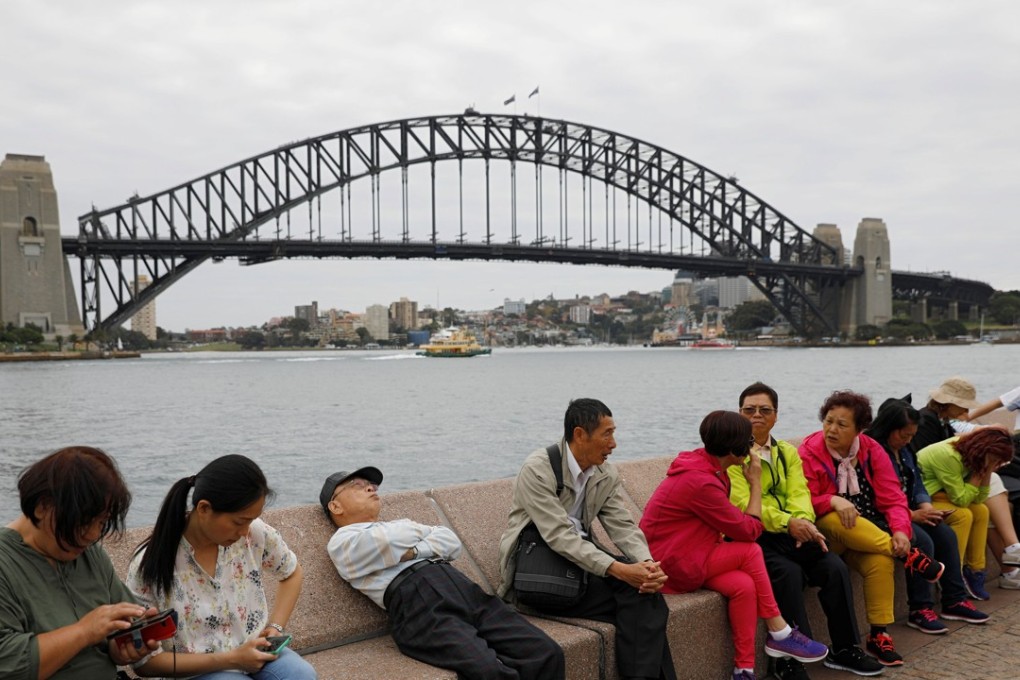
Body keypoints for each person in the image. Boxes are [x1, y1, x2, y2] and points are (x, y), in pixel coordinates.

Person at [322, 467, 564, 679]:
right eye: (358, 486)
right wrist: (419, 532)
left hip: (464, 590)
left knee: (545, 652)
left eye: (371, 485)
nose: (370, 489)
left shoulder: (395, 526)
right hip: (421, 605)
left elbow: (451, 541)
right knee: (488, 671)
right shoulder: (342, 541)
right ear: (336, 505)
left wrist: (413, 550)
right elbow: (385, 543)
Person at [641, 410, 829, 680]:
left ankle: (744, 670)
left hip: (688, 553)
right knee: (751, 551)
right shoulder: (701, 481)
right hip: (672, 565)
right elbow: (749, 531)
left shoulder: (707, 466)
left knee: (744, 585)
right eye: (748, 439)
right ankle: (779, 631)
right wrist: (754, 483)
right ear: (735, 448)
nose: (752, 444)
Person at [497, 398, 676, 680]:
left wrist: (647, 564)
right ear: (580, 434)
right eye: (607, 434)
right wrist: (621, 570)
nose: (614, 443)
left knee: (645, 598)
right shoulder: (538, 469)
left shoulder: (604, 473)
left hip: (578, 567)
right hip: (537, 577)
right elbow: (560, 538)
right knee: (643, 603)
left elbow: (623, 526)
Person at [727, 383, 882, 679]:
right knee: (789, 574)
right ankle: (788, 659)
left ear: (775, 416)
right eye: (749, 409)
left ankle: (845, 648)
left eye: (764, 410)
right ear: (739, 414)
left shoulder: (787, 452)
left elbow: (800, 492)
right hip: (756, 537)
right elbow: (742, 502)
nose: (756, 415)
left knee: (833, 567)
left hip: (792, 533)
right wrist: (788, 523)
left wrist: (803, 523)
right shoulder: (733, 455)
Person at [127, 454, 317, 680]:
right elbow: (145, 664)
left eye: (251, 520)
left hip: (252, 650)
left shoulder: (255, 533)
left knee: (301, 674)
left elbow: (291, 572)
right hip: (194, 671)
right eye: (239, 522)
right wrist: (232, 659)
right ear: (204, 508)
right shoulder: (150, 564)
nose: (246, 531)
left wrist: (275, 626)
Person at [799, 391, 943, 668]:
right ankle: (910, 556)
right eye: (828, 421)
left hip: (867, 536)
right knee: (835, 517)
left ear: (858, 429)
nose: (831, 429)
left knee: (880, 561)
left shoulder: (869, 449)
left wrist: (900, 532)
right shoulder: (808, 452)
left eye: (842, 424)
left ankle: (879, 635)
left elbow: (893, 498)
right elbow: (802, 501)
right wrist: (832, 499)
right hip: (827, 537)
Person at [0, 446, 159, 680]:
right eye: (83, 521)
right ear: (42, 507)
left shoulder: (90, 555)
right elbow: (8, 664)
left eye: (102, 522)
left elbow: (118, 629)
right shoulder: (6, 563)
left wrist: (122, 648)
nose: (93, 534)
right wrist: (84, 632)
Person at [864, 398, 990, 632]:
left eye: (912, 435)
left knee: (946, 535)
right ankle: (919, 608)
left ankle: (954, 599)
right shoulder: (872, 451)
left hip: (909, 510)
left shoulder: (905, 450)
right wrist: (911, 515)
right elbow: (874, 499)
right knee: (923, 541)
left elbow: (917, 482)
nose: (909, 440)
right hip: (886, 516)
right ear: (888, 428)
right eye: (904, 435)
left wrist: (925, 507)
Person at [915, 427, 1016, 602]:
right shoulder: (950, 455)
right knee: (963, 515)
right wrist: (980, 474)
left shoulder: (974, 456)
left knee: (982, 510)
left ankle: (975, 571)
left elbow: (979, 499)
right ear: (985, 450)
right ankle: (955, 572)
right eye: (995, 460)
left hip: (943, 494)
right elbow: (961, 500)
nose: (996, 465)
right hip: (924, 499)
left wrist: (987, 473)